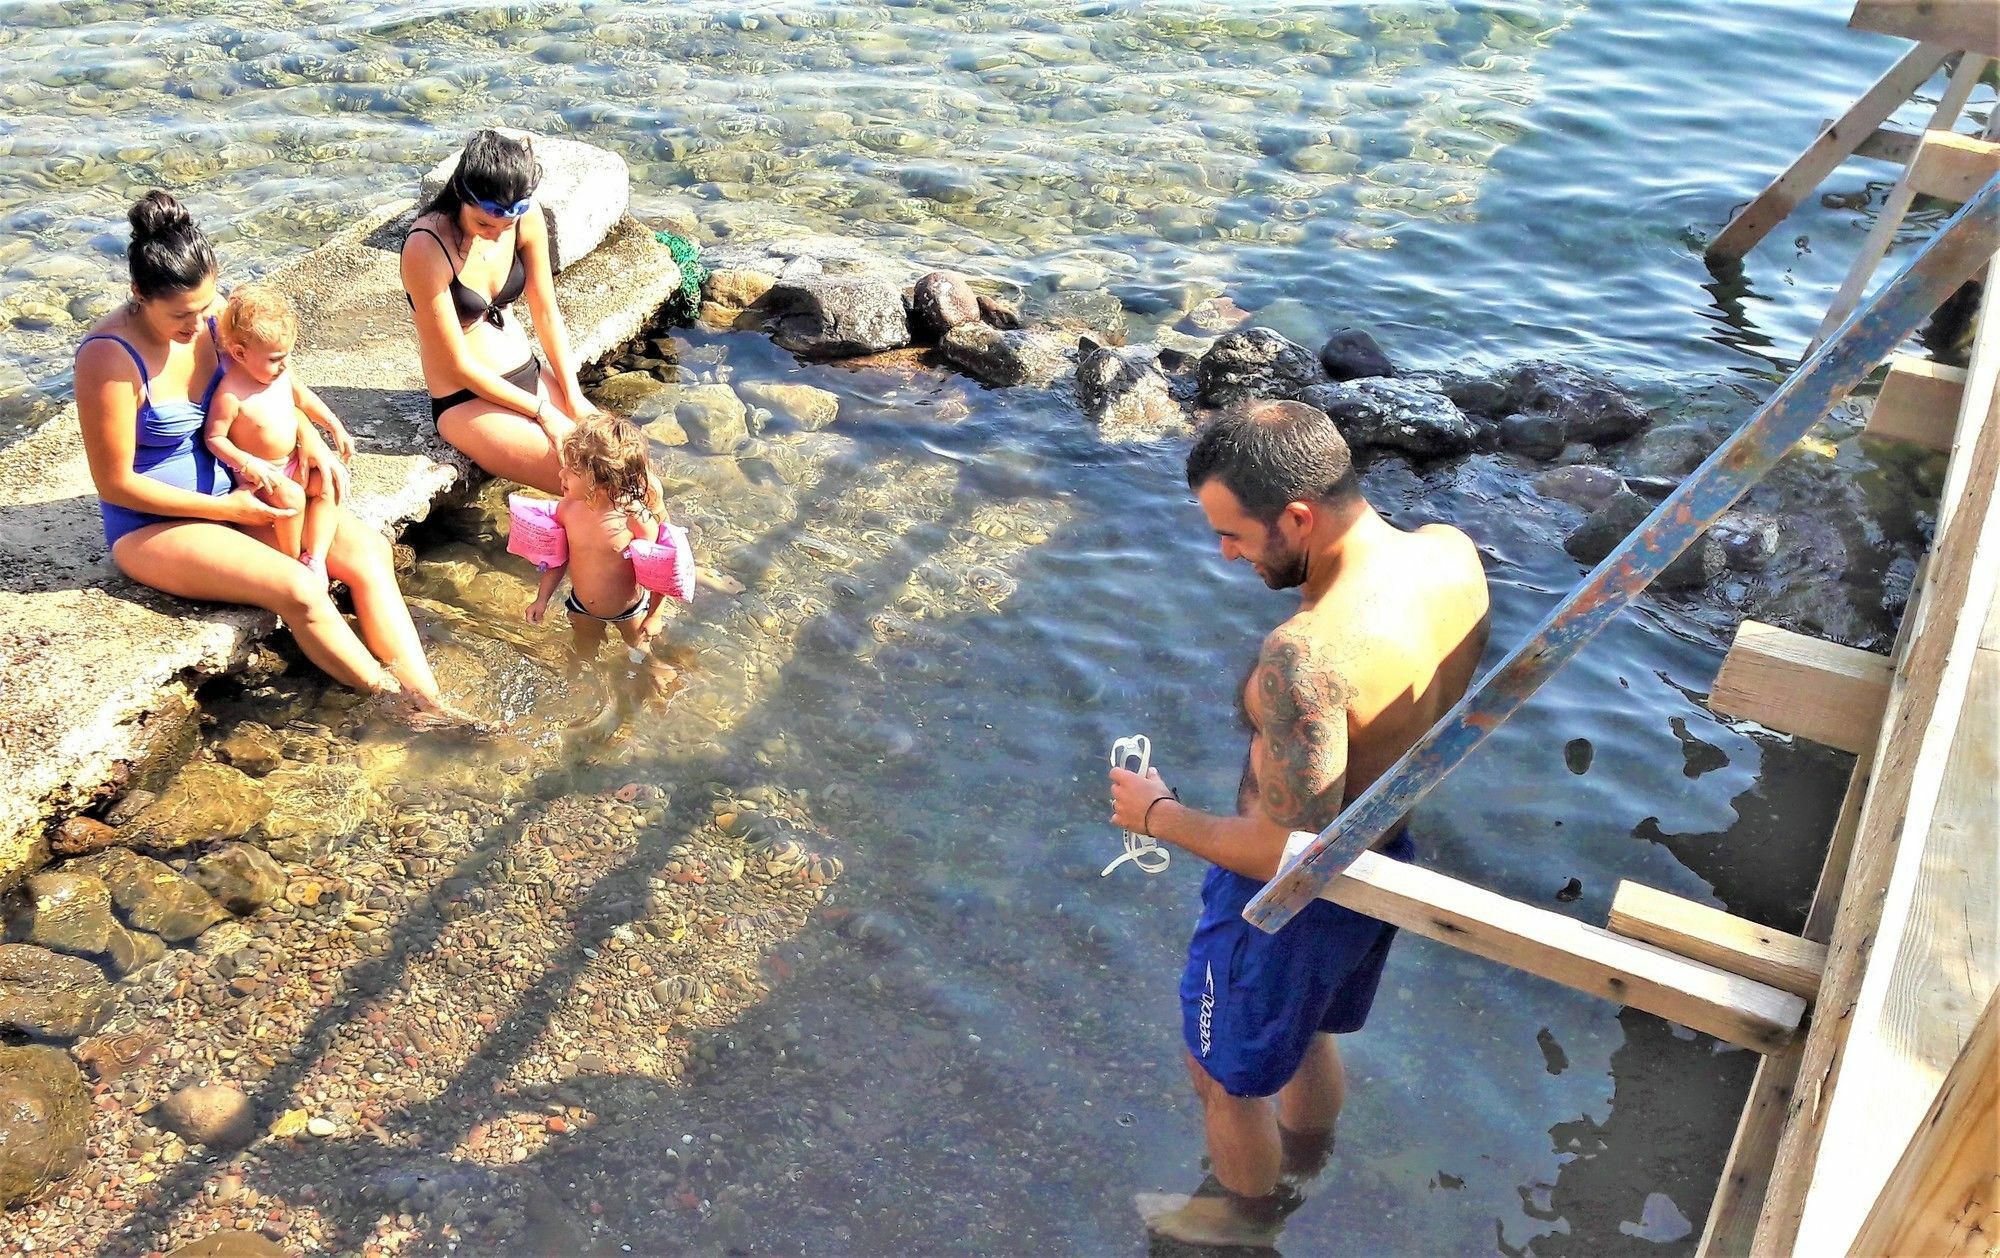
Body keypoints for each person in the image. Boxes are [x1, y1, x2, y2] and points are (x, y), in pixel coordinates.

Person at [1109, 400, 1490, 1248]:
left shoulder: (1306, 654)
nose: (1226, 554)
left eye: (1236, 535)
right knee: (1309, 1027)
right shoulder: (1448, 556)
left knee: (1221, 1076)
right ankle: (1310, 1160)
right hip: (1385, 858)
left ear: (1298, 516)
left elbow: (1292, 858)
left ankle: (1243, 1225)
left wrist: (1158, 815)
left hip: (1277, 911)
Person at [76, 189, 466, 728]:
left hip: (248, 494)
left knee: (369, 553)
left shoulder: (215, 315)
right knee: (300, 587)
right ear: (138, 293)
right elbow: (115, 483)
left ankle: (432, 696)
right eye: (180, 316)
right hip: (159, 524)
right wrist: (231, 511)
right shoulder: (108, 358)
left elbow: (270, 379)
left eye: (205, 307)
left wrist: (307, 435)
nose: (198, 326)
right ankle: (401, 708)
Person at [401, 128, 596, 495]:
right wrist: (544, 412)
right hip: (467, 398)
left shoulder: (527, 216)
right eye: (484, 224)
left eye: (505, 226)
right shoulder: (426, 247)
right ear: (461, 195)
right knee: (591, 483)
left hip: (529, 374)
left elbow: (547, 312)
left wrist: (573, 397)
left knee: (633, 470)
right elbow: (455, 364)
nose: (495, 234)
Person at [206, 283, 353, 585]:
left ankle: (315, 556)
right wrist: (247, 463)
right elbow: (214, 438)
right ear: (240, 353)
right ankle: (290, 559)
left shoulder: (282, 375)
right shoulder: (231, 395)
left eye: (287, 355)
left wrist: (333, 424)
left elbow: (305, 399)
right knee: (293, 498)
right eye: (274, 359)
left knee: (329, 480)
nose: (283, 365)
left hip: (290, 461)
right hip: (262, 475)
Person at [523, 415, 677, 692]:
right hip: (581, 605)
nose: (560, 474)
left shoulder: (635, 519)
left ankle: (652, 667)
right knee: (583, 648)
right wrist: (541, 598)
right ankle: (582, 683)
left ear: (602, 481)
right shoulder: (568, 509)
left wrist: (655, 614)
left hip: (628, 610)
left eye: (571, 471)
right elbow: (558, 559)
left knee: (639, 648)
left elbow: (658, 572)